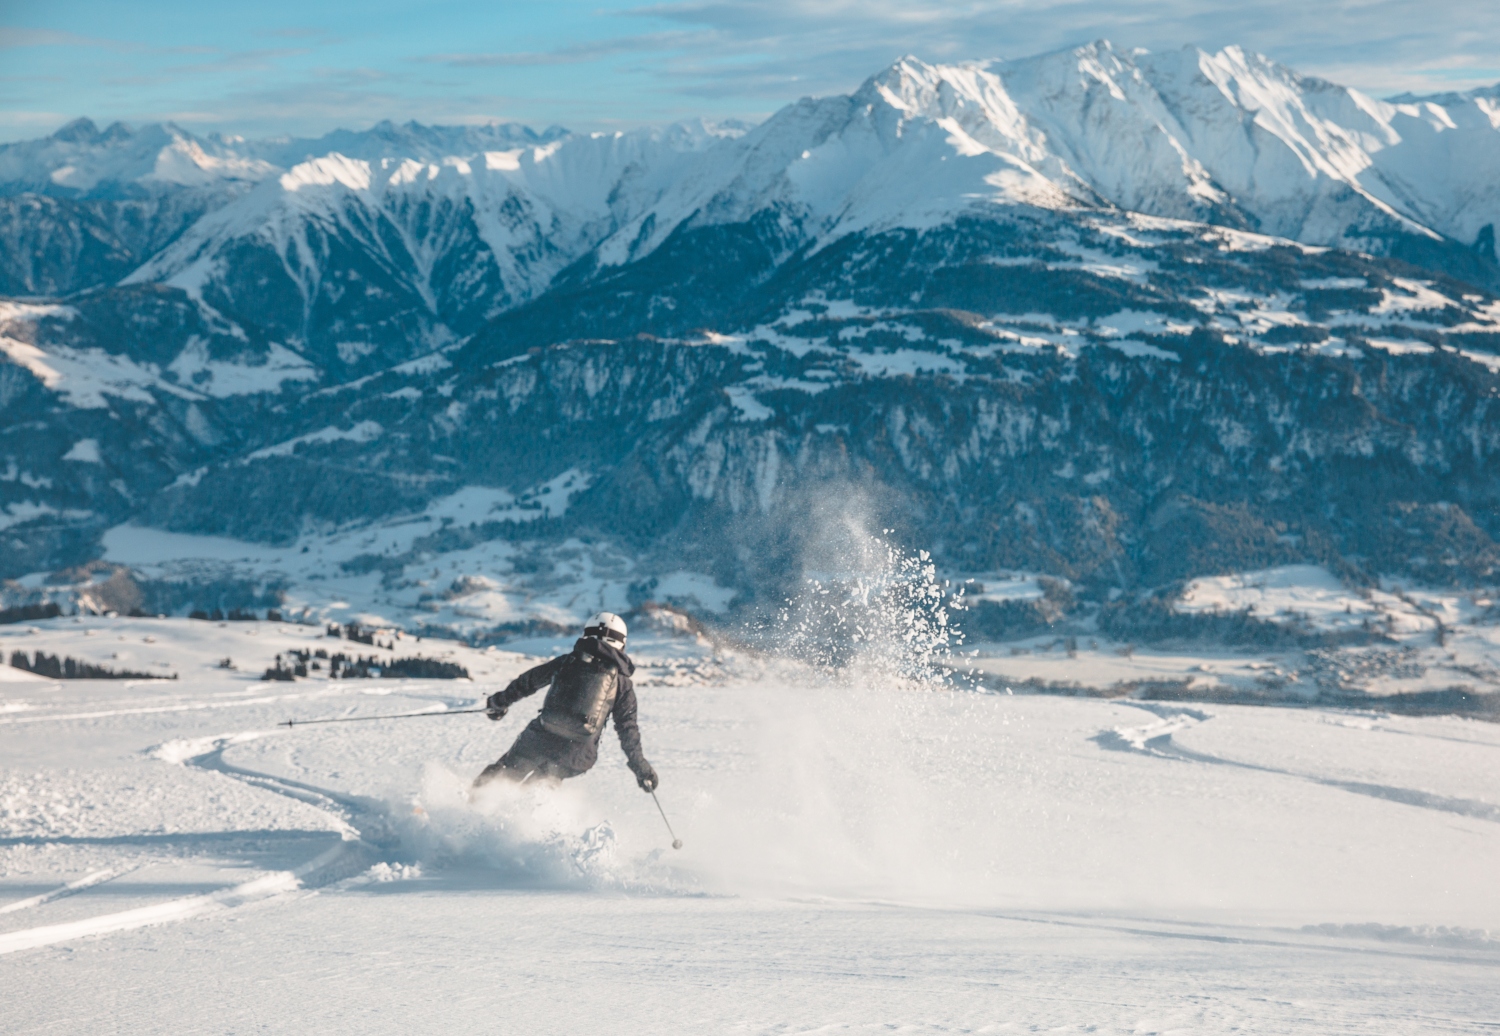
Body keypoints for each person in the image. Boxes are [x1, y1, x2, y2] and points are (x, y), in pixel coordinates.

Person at [473, 612, 658, 792]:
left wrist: (499, 702)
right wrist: (640, 767)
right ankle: (528, 813)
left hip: (540, 736)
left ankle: (471, 804)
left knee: (505, 773)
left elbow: (528, 682)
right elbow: (627, 729)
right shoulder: (622, 684)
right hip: (579, 753)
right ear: (622, 643)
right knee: (539, 786)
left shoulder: (567, 661)